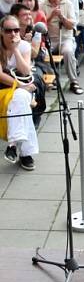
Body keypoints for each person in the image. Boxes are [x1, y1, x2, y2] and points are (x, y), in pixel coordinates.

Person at [0, 14, 39, 170]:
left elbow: (26, 70)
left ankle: (13, 144)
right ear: (1, 31)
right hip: (3, 89)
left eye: (16, 30)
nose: (13, 34)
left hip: (20, 88)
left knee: (22, 98)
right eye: (9, 30)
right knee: (23, 98)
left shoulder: (23, 46)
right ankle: (25, 154)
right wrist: (20, 86)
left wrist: (15, 49)